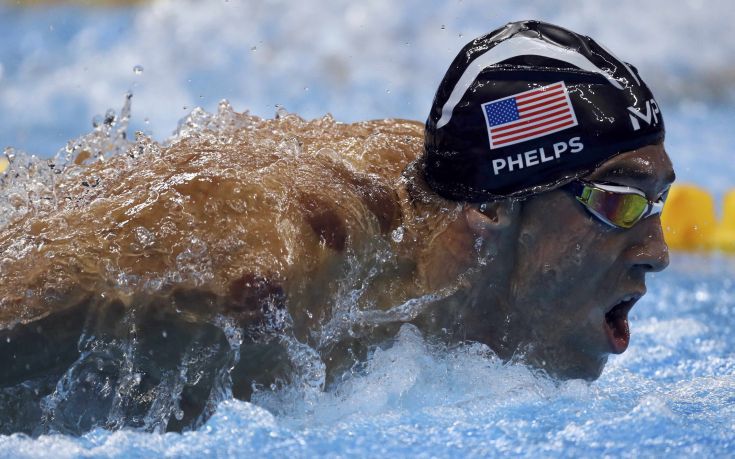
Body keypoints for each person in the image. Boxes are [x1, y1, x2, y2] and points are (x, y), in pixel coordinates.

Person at [0, 20, 674, 434]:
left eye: (658, 204)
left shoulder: (443, 193)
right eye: (620, 201)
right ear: (493, 212)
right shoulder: (265, 280)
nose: (658, 253)